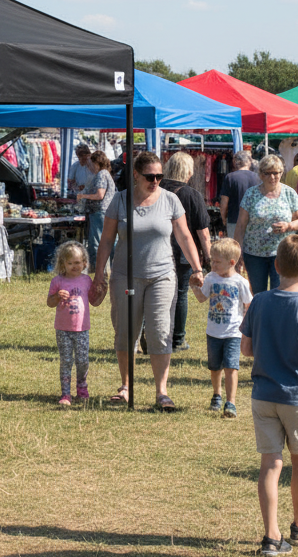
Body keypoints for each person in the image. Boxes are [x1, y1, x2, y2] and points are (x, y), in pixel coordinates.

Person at [91, 151, 205, 411]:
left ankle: (162, 392)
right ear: (135, 174)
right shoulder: (120, 201)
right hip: (125, 275)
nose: (155, 181)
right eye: (150, 176)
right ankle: (125, 386)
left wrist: (198, 268)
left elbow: (185, 236)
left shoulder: (171, 199)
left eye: (159, 176)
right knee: (126, 331)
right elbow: (106, 240)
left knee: (160, 330)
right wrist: (100, 274)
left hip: (162, 275)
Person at [239, 234, 298, 556]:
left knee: (270, 464)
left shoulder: (260, 301)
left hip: (263, 396)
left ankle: (271, 536)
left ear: (276, 266)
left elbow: (246, 349)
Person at [193, 237, 252, 418]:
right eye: (212, 260)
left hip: (233, 332)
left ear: (231, 263)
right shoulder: (211, 278)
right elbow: (202, 298)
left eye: (217, 262)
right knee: (215, 367)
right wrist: (194, 286)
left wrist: (247, 326)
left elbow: (248, 304)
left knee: (231, 367)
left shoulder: (240, 282)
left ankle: (230, 402)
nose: (213, 265)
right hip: (213, 332)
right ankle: (216, 395)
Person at [161, 151, 212, 352]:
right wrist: (208, 259)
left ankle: (154, 335)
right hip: (183, 251)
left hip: (158, 249)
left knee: (156, 293)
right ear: (188, 172)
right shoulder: (191, 194)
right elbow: (203, 233)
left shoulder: (156, 190)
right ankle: (178, 338)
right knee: (180, 294)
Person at [234, 154, 298, 294]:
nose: (272, 177)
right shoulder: (251, 194)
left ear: (281, 173)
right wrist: (237, 252)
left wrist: (288, 226)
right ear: (261, 174)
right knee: (258, 294)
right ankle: (261, 316)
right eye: (267, 173)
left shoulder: (289, 193)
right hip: (254, 254)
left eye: (276, 173)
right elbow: (241, 226)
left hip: (282, 252)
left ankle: (277, 316)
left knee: (281, 292)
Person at [46, 241, 93, 407]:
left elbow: (94, 299)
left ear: (84, 263)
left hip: (82, 329)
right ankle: (65, 393)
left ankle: (82, 386)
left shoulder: (87, 280)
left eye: (78, 263)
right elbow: (50, 303)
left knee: (82, 360)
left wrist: (102, 288)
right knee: (66, 361)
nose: (74, 266)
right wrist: (57, 296)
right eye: (70, 263)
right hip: (63, 329)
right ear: (63, 264)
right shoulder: (58, 281)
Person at [81, 150, 116, 270]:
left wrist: (83, 196)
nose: (89, 167)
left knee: (96, 241)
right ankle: (113, 265)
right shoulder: (106, 174)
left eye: (90, 163)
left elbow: (100, 195)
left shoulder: (101, 174)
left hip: (99, 211)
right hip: (106, 211)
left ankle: (96, 268)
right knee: (110, 240)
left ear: (97, 163)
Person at [220, 150, 260, 238]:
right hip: (253, 221)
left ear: (235, 162)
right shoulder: (258, 177)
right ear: (249, 162)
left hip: (234, 220)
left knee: (235, 249)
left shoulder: (230, 178)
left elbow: (224, 202)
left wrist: (223, 218)